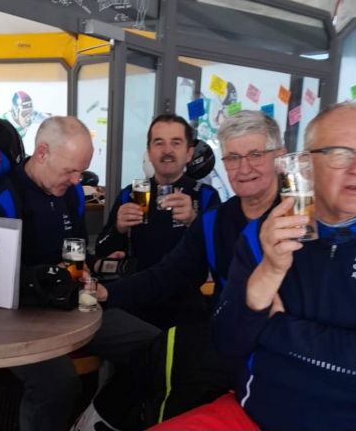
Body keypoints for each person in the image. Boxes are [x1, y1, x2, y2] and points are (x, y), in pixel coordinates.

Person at [155, 101, 356, 431]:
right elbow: (228, 343)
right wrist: (269, 270)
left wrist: (278, 327)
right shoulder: (261, 234)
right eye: (340, 154)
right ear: (305, 165)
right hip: (251, 413)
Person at [91, 111, 286, 430]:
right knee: (153, 369)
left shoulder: (304, 219)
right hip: (225, 350)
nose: (244, 168)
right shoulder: (214, 221)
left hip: (282, 359)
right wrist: (106, 292)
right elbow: (167, 274)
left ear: (279, 158)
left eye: (255, 155)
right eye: (233, 158)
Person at [0, 116, 160, 431]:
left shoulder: (72, 195)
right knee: (58, 383)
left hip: (72, 301)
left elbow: (75, 251)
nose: (77, 181)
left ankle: (103, 417)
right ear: (42, 153)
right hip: (18, 316)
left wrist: (94, 265)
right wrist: (48, 276)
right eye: (70, 171)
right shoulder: (3, 199)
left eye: (81, 170)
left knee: (154, 347)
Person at [96, 114, 221, 328]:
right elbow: (101, 250)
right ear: (149, 152)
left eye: (176, 142)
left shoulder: (205, 195)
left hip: (186, 308)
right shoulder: (131, 193)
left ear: (189, 153)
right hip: (133, 304)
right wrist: (118, 229)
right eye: (159, 143)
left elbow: (220, 255)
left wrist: (194, 221)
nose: (167, 150)